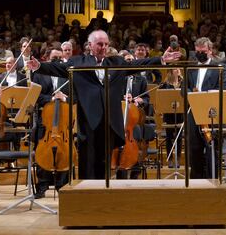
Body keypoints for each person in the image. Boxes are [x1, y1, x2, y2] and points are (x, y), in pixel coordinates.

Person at [27, 30, 181, 179]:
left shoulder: (116, 62)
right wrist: (39, 66)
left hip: (109, 121)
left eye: (106, 44)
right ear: (90, 45)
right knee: (87, 163)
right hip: (87, 120)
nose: (103, 47)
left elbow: (137, 64)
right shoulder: (78, 62)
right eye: (100, 44)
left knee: (104, 164)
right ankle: (86, 196)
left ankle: (101, 195)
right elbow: (57, 68)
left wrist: (160, 59)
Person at [187, 37, 226, 179]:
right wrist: (192, 94)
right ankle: (196, 183)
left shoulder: (219, 66)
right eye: (197, 52)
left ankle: (213, 180)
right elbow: (183, 90)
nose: (200, 54)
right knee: (195, 148)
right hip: (193, 113)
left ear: (210, 51)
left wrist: (203, 96)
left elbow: (222, 88)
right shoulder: (190, 67)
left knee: (213, 149)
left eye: (203, 51)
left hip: (212, 113)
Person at [32, 47, 69, 198]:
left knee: (65, 151)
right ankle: (42, 185)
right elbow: (36, 96)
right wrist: (51, 99)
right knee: (43, 150)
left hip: (64, 119)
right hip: (45, 118)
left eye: (60, 59)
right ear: (47, 58)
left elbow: (77, 94)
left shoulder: (67, 74)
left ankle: (62, 185)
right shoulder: (39, 73)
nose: (57, 61)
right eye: (54, 58)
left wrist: (65, 97)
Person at [159, 68, 183, 168]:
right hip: (168, 114)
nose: (177, 70)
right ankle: (170, 159)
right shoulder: (165, 85)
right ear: (170, 71)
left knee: (179, 137)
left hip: (180, 114)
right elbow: (160, 98)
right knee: (169, 137)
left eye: (178, 68)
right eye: (174, 69)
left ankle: (177, 159)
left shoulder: (183, 83)